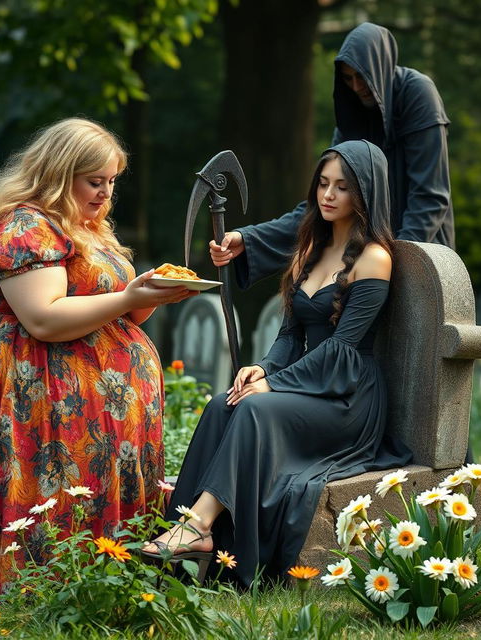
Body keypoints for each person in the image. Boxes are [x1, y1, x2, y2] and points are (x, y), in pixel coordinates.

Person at [0, 117, 196, 596]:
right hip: (23, 382)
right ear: (59, 173)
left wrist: (149, 297)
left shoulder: (89, 227)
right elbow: (43, 318)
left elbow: (120, 313)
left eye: (111, 182)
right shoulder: (26, 226)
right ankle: (20, 593)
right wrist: (126, 299)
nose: (104, 194)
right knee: (37, 483)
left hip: (90, 400)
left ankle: (102, 588)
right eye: (93, 182)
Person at [142, 139, 412, 586]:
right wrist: (265, 368)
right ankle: (183, 535)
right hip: (308, 381)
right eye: (323, 184)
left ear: (363, 194)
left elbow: (342, 350)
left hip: (346, 396)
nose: (328, 195)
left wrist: (276, 386)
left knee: (252, 407)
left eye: (342, 187)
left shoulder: (374, 258)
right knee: (222, 403)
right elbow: (291, 336)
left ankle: (198, 529)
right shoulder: (309, 247)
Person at [210, 22, 454, 288]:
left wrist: (394, 264)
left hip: (420, 256)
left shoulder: (418, 94)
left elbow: (429, 196)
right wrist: (248, 239)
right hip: (369, 264)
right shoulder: (352, 118)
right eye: (349, 79)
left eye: (363, 76)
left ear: (382, 67)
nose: (357, 86)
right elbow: (320, 208)